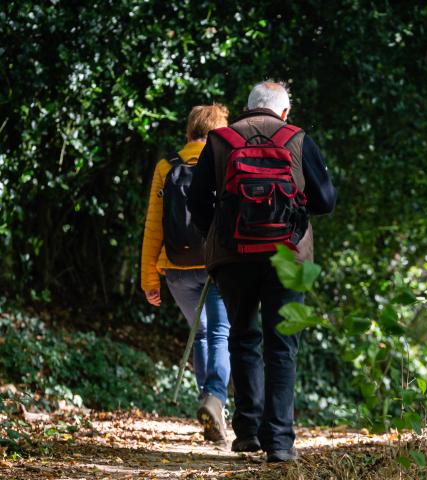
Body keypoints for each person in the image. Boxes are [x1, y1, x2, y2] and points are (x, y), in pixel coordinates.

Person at [186, 81, 336, 462]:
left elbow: (197, 201)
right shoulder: (298, 138)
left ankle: (248, 431)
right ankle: (281, 442)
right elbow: (326, 200)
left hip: (233, 255)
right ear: (283, 113)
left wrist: (217, 232)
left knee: (242, 336)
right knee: (282, 345)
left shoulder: (220, 141)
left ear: (247, 108)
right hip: (290, 258)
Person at [140, 104, 231, 445]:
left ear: (190, 129)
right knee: (220, 333)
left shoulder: (167, 166)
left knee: (203, 334)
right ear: (220, 130)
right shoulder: (225, 161)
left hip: (176, 269)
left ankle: (211, 407)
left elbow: (153, 227)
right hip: (215, 266)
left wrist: (149, 280)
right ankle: (216, 399)